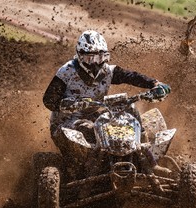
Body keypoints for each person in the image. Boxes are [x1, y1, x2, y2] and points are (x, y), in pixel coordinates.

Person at [43, 30, 171, 176]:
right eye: (90, 58)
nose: (96, 63)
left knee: (130, 111)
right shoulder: (67, 72)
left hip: (95, 114)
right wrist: (69, 104)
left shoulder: (108, 71)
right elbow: (48, 100)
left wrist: (154, 84)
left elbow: (132, 76)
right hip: (66, 121)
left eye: (101, 57)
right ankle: (89, 171)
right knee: (88, 129)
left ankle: (148, 160)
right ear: (80, 56)